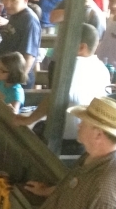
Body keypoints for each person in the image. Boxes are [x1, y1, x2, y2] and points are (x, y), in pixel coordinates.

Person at [15, 24, 110, 155]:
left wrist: (29, 119)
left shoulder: (70, 67)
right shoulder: (102, 69)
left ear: (81, 47)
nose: (61, 47)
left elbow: (53, 99)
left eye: (66, 42)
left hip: (64, 140)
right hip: (87, 142)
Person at [0, 0, 41, 87]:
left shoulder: (29, 20)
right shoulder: (15, 14)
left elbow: (29, 55)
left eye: (13, 1)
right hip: (5, 75)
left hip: (14, 81)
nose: (8, 4)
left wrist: (15, 83)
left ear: (25, 0)